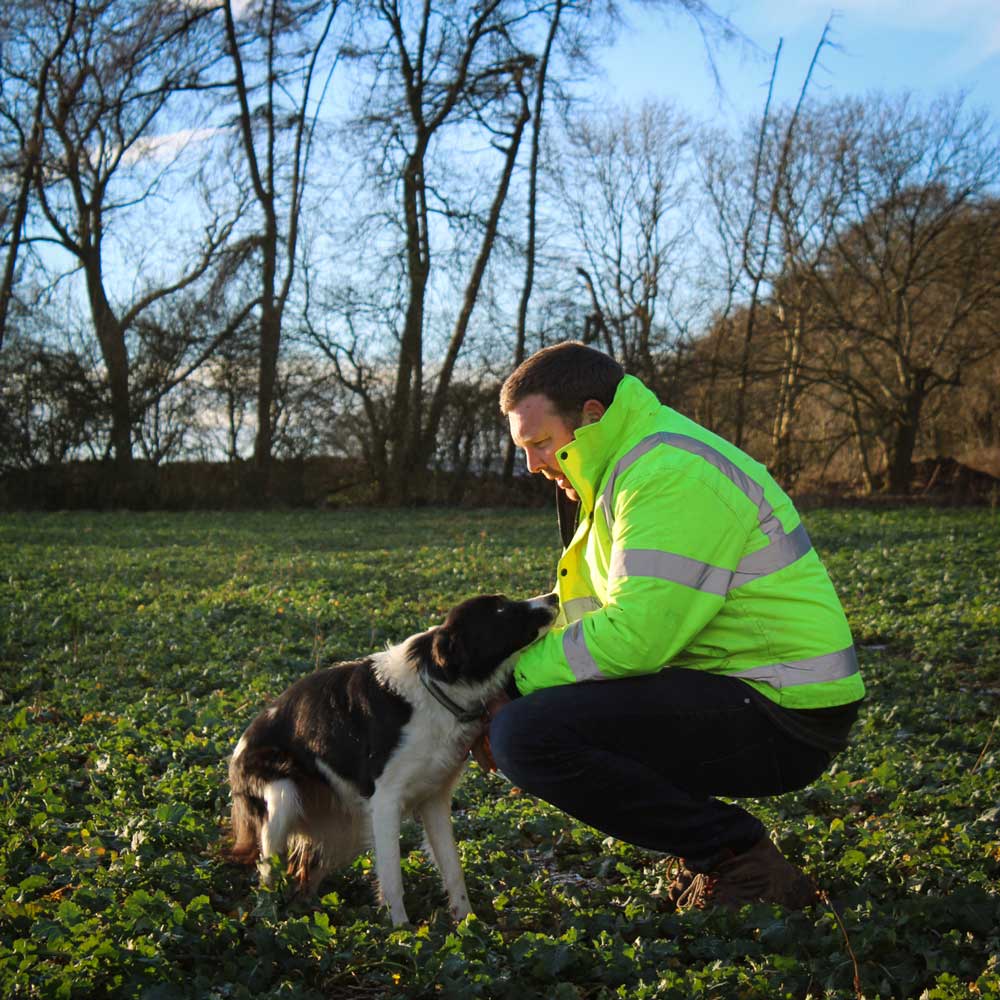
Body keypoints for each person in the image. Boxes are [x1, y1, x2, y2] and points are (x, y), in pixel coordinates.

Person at [485, 341, 865, 912]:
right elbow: (594, 623)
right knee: (543, 718)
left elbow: (635, 638)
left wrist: (510, 689)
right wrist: (491, 676)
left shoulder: (668, 473)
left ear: (592, 416)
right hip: (742, 688)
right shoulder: (622, 470)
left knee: (526, 734)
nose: (534, 464)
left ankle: (740, 858)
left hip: (786, 708)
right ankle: (712, 852)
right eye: (526, 448)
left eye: (541, 443)